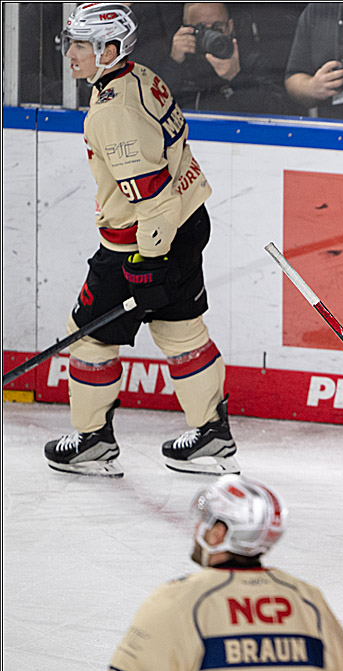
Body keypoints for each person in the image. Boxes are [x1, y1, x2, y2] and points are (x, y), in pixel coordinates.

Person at [47, 3, 238, 478]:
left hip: (141, 240)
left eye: (80, 46)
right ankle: (212, 436)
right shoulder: (141, 76)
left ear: (110, 50)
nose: (70, 54)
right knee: (180, 329)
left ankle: (92, 441)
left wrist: (149, 262)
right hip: (188, 221)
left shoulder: (113, 113)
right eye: (70, 42)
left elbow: (149, 196)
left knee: (89, 333)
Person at [106, 475, 343, 671]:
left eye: (207, 521)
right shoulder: (306, 597)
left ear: (219, 533)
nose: (199, 529)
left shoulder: (177, 600)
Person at [159, 2, 288, 115]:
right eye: (201, 28)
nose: (210, 35)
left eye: (217, 27)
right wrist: (174, 62)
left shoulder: (250, 60)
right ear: (186, 28)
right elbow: (154, 106)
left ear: (230, 26)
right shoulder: (179, 59)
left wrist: (237, 77)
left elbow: (278, 110)